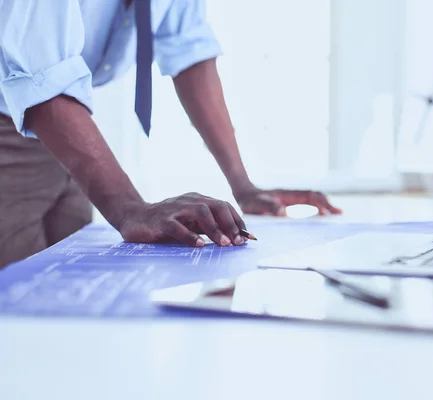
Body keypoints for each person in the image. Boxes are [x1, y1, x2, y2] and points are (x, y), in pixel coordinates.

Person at [0, 0, 341, 268]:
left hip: (67, 132)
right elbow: (39, 74)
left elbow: (189, 48)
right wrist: (130, 207)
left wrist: (243, 186)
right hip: (22, 124)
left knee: (65, 301)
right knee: (15, 311)